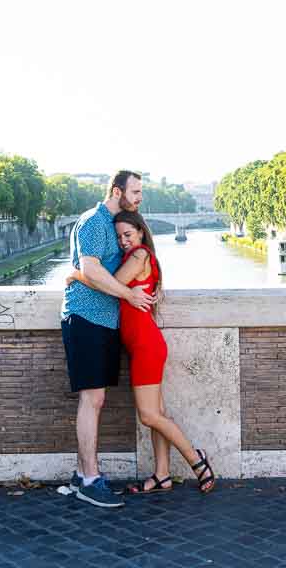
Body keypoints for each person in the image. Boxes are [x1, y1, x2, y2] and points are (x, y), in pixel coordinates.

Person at [67, 209, 216, 496]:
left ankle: (198, 461)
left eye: (128, 234)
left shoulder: (138, 256)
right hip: (142, 345)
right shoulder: (137, 255)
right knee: (157, 412)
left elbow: (110, 285)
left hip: (146, 346)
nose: (123, 241)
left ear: (140, 233)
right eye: (119, 236)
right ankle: (162, 476)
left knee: (149, 416)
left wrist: (77, 273)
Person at [61, 170, 156, 509]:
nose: (140, 197)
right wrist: (128, 296)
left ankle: (79, 474)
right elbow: (91, 269)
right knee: (93, 399)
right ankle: (90, 478)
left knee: (95, 399)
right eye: (136, 191)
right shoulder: (92, 222)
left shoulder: (113, 227)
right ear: (117, 191)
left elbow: (94, 273)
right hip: (86, 319)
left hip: (102, 322)